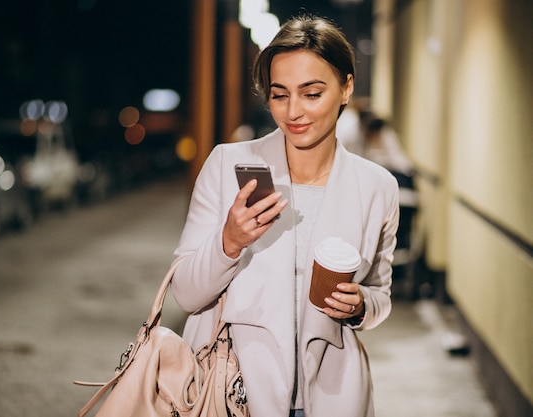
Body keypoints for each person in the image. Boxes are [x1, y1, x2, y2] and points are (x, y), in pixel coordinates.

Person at [171, 14, 399, 417]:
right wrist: (229, 241)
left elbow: (381, 295)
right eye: (280, 95)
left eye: (312, 93)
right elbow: (186, 294)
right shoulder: (229, 165)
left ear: (346, 87)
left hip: (332, 395)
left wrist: (361, 304)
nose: (294, 111)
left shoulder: (377, 187)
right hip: (233, 391)